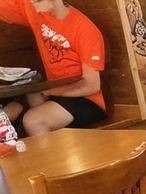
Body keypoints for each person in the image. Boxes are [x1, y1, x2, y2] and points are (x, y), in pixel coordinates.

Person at [0, 0, 107, 134]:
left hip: (87, 100)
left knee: (33, 120)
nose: (34, 7)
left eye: (37, 1)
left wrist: (49, 91)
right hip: (54, 92)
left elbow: (91, 85)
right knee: (27, 97)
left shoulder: (85, 29)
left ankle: (53, 154)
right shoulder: (34, 7)